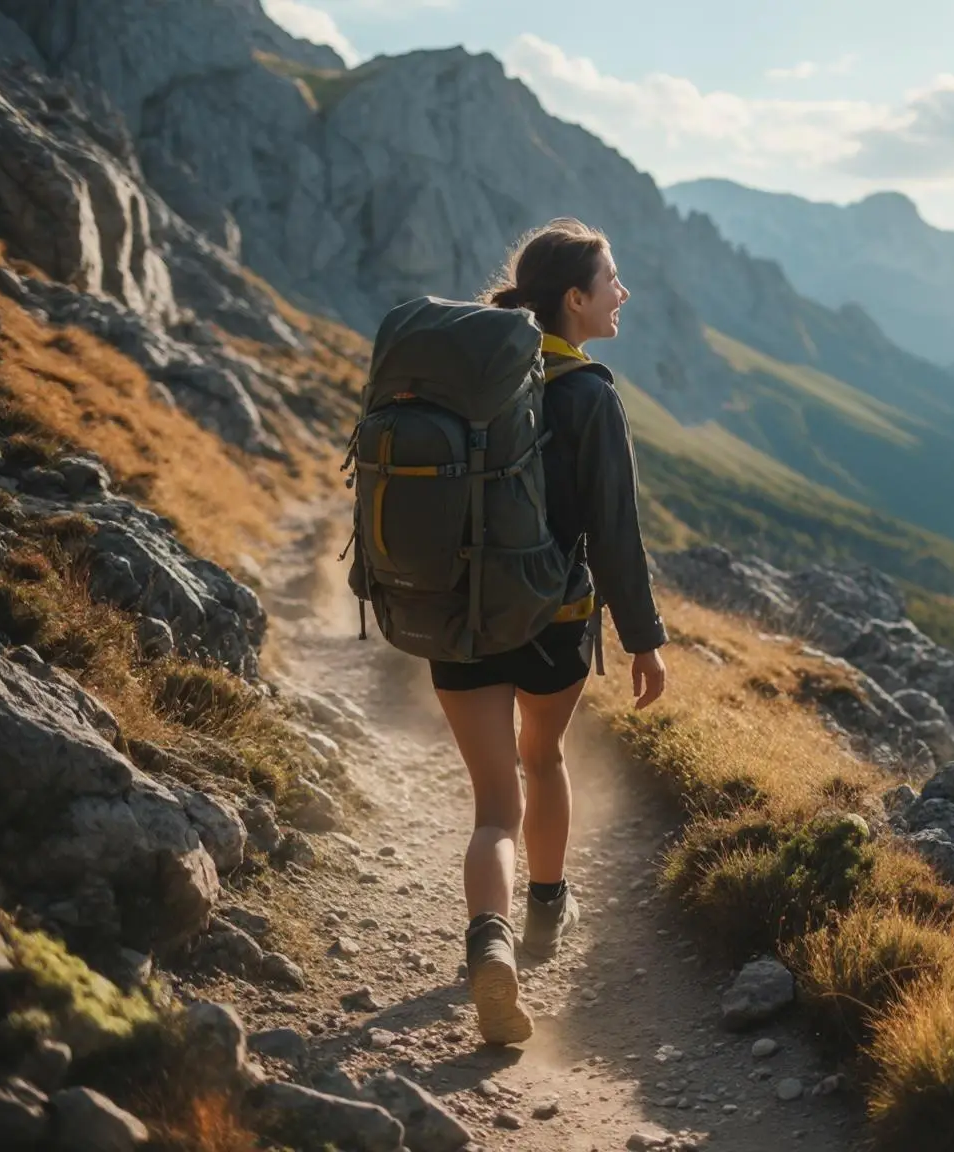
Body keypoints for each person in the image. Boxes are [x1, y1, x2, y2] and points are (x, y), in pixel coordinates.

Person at [435, 218, 669, 1045]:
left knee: (492, 808)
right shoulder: (590, 395)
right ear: (575, 299)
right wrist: (643, 639)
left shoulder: (469, 378)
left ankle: (487, 941)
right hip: (552, 624)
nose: (622, 293)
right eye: (612, 280)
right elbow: (615, 531)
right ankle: (544, 912)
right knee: (544, 759)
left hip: (457, 620)